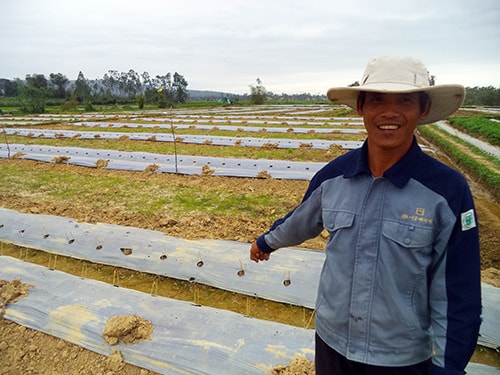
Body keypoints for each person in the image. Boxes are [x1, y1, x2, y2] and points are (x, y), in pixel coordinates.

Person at [250, 55, 481, 374]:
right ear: (361, 107)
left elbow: (459, 292)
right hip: (332, 345)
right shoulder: (334, 177)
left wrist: (447, 367)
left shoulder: (447, 192)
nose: (389, 112)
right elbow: (301, 220)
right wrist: (266, 242)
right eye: (376, 100)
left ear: (423, 109)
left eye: (405, 100)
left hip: (400, 359)